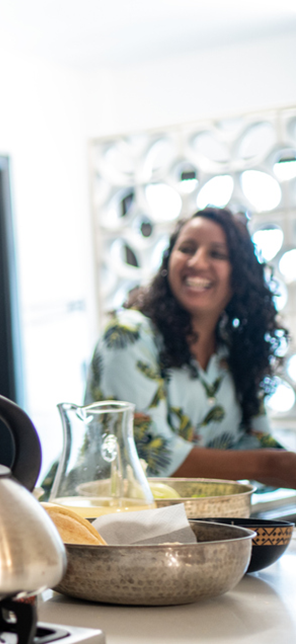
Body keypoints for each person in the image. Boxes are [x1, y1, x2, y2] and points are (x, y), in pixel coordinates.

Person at [84, 206, 296, 487]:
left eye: (217, 254)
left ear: (240, 275)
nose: (197, 262)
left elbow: (254, 442)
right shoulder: (128, 335)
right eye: (186, 249)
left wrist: (278, 462)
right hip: (91, 521)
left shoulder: (232, 348)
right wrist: (271, 464)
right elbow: (149, 454)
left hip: (194, 525)